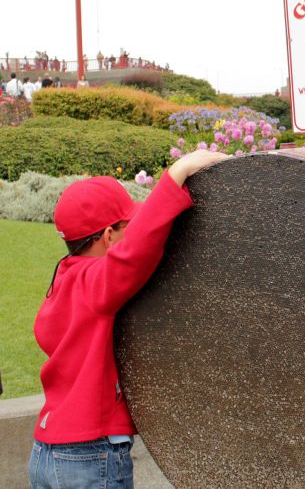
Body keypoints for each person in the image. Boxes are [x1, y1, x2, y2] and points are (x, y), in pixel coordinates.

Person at [28, 149, 228, 488]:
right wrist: (178, 172)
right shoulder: (95, 284)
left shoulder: (62, 281)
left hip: (45, 453)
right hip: (89, 456)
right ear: (108, 236)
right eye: (127, 225)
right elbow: (134, 253)